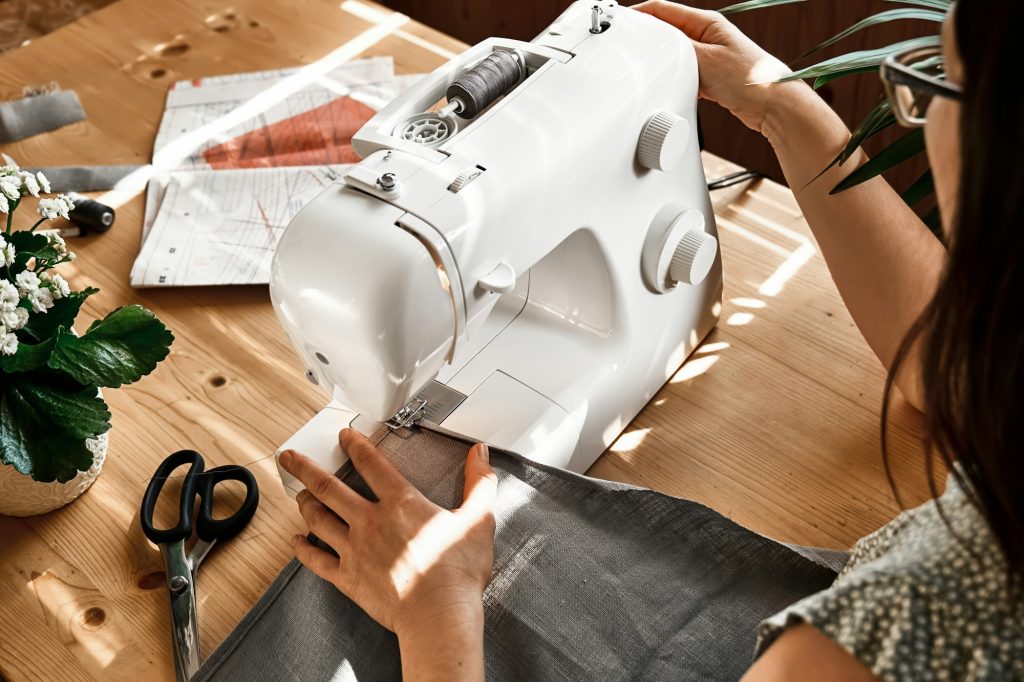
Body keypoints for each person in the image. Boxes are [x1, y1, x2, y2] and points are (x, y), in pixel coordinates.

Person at [277, 1, 1023, 679]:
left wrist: (436, 615)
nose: (926, 106)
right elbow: (946, 369)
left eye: (938, 79)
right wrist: (781, 107)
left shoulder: (905, 623)